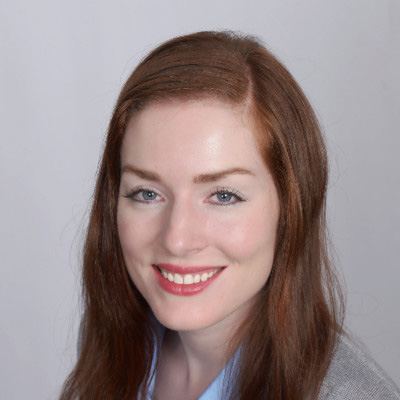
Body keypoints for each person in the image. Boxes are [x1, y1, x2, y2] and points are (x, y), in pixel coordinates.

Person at [60, 31, 400, 400]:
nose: (177, 239)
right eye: (147, 193)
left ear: (291, 208)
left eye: (223, 195)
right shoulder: (114, 344)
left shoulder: (348, 395)